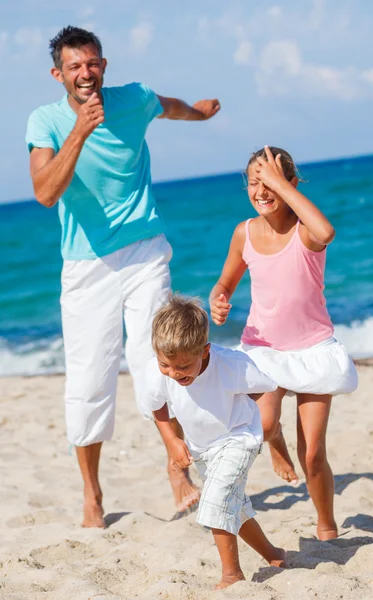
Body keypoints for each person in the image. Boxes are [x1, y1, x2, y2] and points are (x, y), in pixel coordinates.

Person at [25, 26, 220, 528]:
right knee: (90, 381)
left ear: (103, 65)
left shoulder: (133, 99)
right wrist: (80, 130)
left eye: (91, 63)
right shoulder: (45, 121)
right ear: (58, 74)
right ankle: (92, 494)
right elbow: (45, 192)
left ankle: (176, 467)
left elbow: (168, 106)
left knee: (154, 357)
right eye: (74, 67)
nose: (84, 73)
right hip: (86, 266)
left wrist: (199, 112)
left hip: (144, 250)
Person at [209, 146, 358, 540]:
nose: (261, 190)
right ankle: (276, 446)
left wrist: (280, 184)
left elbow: (327, 232)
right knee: (266, 424)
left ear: (291, 184)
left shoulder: (305, 231)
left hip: (312, 351)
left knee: (312, 453)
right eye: (254, 182)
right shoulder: (245, 233)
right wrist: (219, 297)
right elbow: (227, 280)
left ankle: (325, 521)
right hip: (264, 348)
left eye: (270, 181)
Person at [145, 295, 286, 589]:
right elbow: (157, 406)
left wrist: (270, 427)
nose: (173, 373)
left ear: (205, 351)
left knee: (218, 500)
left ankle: (232, 574)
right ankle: (273, 554)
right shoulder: (158, 370)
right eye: (166, 365)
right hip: (203, 448)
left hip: (239, 436)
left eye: (183, 366)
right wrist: (171, 441)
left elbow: (268, 388)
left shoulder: (231, 365)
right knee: (236, 507)